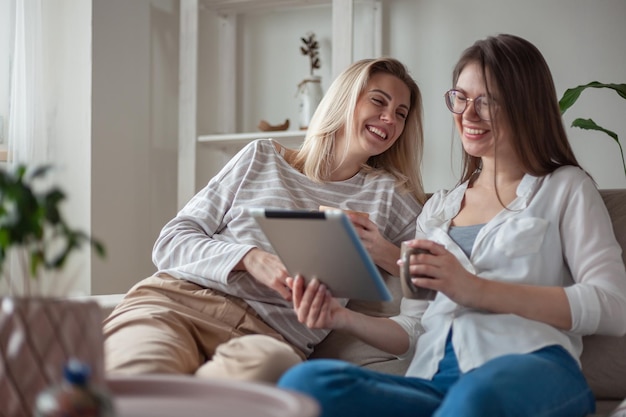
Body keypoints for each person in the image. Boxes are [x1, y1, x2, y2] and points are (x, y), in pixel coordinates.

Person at [277, 34, 626, 417]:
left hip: (534, 369)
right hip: (434, 383)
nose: (468, 115)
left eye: (488, 101)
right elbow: (414, 327)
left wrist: (474, 289)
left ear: (526, 105)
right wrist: (340, 317)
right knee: (305, 386)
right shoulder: (436, 210)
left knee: (476, 398)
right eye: (460, 98)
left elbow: (613, 306)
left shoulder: (565, 188)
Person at [103, 57, 426, 383]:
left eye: (401, 113)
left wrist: (381, 249)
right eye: (378, 101)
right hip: (175, 303)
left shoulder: (391, 197)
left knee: (228, 392)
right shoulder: (262, 157)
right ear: (344, 100)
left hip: (270, 339)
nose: (390, 118)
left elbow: (434, 282)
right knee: (140, 378)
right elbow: (171, 242)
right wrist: (249, 258)